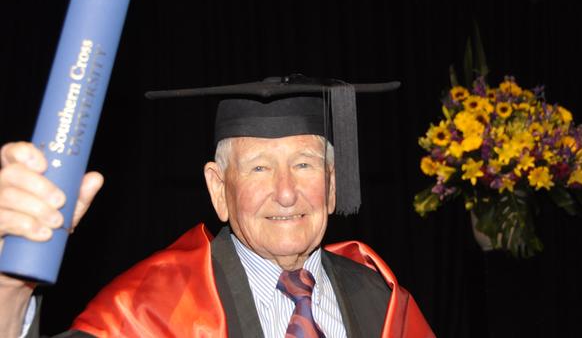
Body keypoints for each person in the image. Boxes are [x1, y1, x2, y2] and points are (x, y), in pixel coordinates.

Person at [0, 75, 435, 337]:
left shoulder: (380, 299)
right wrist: (10, 287)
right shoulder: (152, 308)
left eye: (304, 165)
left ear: (333, 184)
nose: (286, 193)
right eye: (259, 169)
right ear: (218, 189)